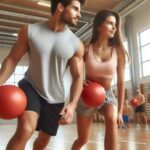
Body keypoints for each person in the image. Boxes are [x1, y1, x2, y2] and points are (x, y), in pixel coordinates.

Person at [0, 0, 86, 149]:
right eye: (75, 9)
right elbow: (12, 59)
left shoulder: (76, 44)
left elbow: (78, 77)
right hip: (30, 86)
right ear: (60, 7)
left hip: (56, 97)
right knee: (26, 130)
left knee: (43, 140)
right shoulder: (29, 31)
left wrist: (72, 104)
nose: (79, 14)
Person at [71, 9, 129, 150]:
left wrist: (120, 111)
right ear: (98, 26)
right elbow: (74, 73)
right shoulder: (85, 49)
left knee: (111, 118)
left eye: (115, 24)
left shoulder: (119, 51)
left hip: (108, 95)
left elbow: (121, 83)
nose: (114, 27)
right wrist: (80, 80)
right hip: (87, 96)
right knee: (82, 140)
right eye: (110, 23)